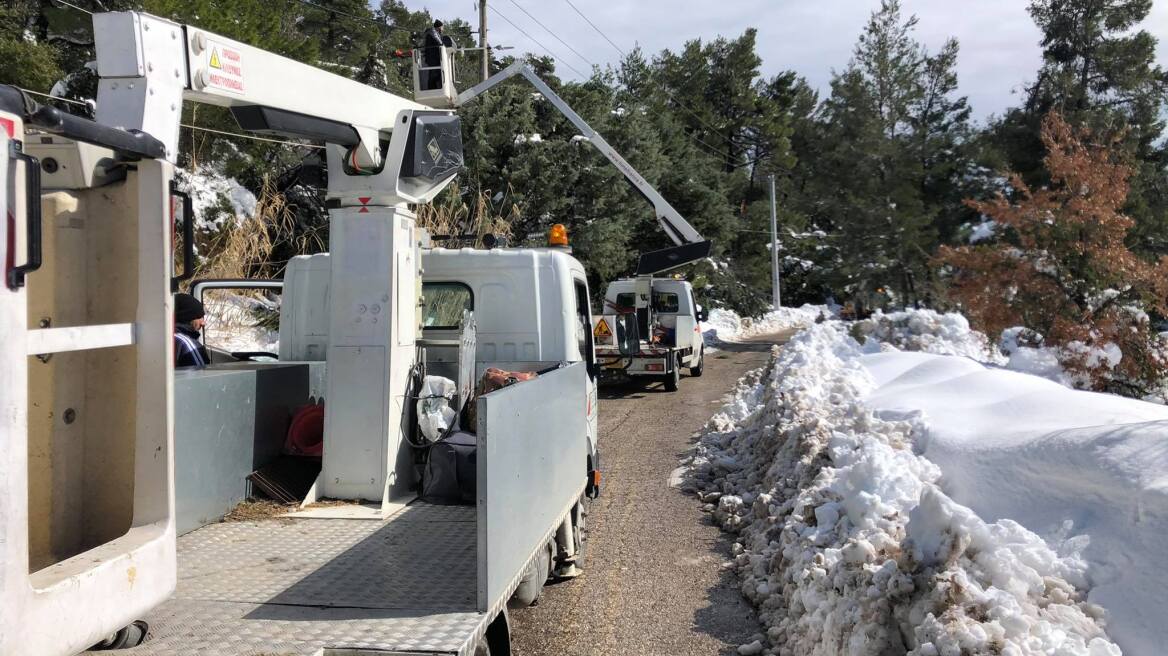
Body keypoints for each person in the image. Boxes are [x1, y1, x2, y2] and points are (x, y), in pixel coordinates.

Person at [174, 293, 210, 368]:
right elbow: (203, 375)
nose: (203, 323)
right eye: (199, 317)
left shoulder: (166, 336)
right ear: (187, 317)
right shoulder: (186, 344)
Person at [422, 19, 445, 90]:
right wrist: (443, 46)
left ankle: (434, 87)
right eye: (442, 27)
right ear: (439, 27)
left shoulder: (435, 32)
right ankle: (432, 88)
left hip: (433, 58)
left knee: (435, 73)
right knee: (434, 73)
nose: (443, 29)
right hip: (432, 58)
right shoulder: (433, 32)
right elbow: (439, 42)